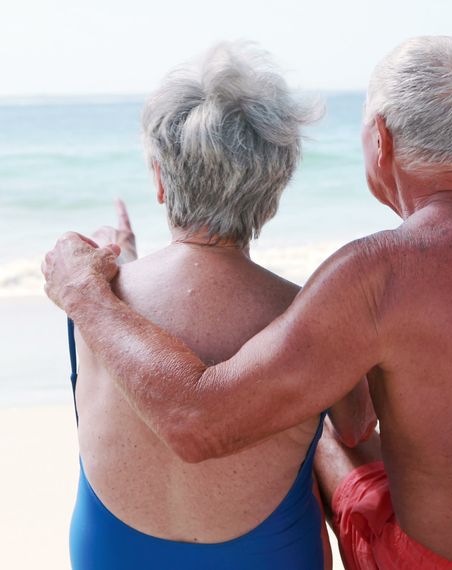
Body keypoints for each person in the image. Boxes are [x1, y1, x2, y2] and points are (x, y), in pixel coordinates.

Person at [43, 36, 452, 569]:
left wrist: (85, 291)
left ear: (381, 139)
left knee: (311, 417)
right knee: (335, 400)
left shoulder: (377, 272)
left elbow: (201, 422)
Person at [62, 43, 346, 569]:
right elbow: (352, 430)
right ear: (274, 192)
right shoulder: (310, 314)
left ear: (160, 180)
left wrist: (125, 263)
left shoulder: (94, 295)